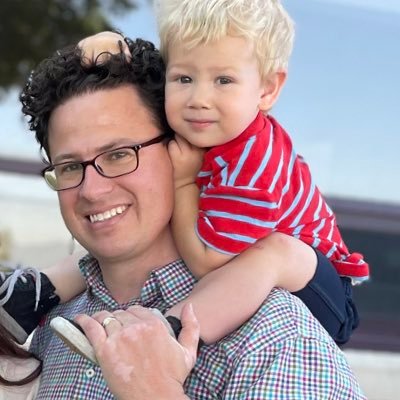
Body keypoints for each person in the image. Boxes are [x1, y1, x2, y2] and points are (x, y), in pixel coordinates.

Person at [17, 35, 366, 398]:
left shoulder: (279, 340)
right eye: (71, 167)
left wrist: (156, 391)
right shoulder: (53, 329)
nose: (92, 189)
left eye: (119, 155)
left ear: (183, 147)